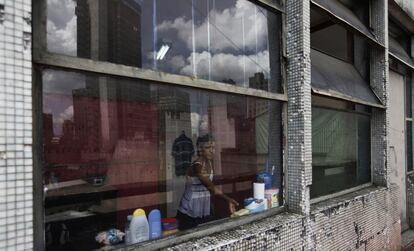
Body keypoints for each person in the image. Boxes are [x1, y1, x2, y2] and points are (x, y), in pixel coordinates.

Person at [176, 134, 239, 230]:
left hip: (203, 209)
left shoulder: (208, 162)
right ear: (200, 149)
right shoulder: (198, 166)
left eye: (213, 147)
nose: (212, 150)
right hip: (189, 211)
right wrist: (228, 199)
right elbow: (211, 188)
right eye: (208, 147)